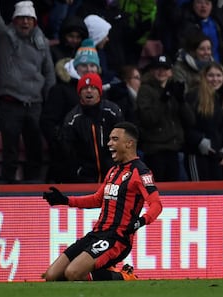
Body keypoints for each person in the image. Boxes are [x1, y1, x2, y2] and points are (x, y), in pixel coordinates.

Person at [42, 121, 163, 281]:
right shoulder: (113, 170)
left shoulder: (140, 172)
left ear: (129, 143)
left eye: (114, 139)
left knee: (73, 273)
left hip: (116, 238)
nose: (109, 143)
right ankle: (106, 269)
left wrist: (140, 222)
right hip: (96, 234)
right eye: (109, 139)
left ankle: (125, 276)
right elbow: (97, 199)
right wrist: (66, 200)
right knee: (52, 276)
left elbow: (156, 205)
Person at [0, 0, 56, 183]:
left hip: (35, 104)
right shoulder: (3, 37)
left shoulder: (42, 42)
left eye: (29, 19)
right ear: (14, 21)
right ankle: (7, 190)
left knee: (36, 150)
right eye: (21, 18)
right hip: (10, 103)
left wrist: (50, 101)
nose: (25, 22)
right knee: (10, 151)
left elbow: (49, 72)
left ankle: (34, 190)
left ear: (34, 22)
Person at [40, 38, 100, 183]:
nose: (89, 69)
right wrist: (63, 148)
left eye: (93, 65)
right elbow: (47, 122)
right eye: (84, 65)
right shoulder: (60, 90)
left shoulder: (104, 92)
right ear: (75, 67)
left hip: (97, 166)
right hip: (67, 167)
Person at [136, 55, 194, 182]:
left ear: (171, 72)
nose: (161, 72)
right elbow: (147, 119)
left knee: (174, 190)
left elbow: (190, 121)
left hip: (174, 149)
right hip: (155, 151)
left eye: (165, 69)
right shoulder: (145, 90)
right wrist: (163, 100)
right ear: (152, 71)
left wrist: (182, 101)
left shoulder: (174, 89)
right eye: (158, 68)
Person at [61, 72, 124, 183]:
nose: (89, 91)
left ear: (99, 92)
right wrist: (77, 171)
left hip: (113, 174)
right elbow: (68, 152)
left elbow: (123, 142)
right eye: (85, 88)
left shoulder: (113, 112)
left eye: (93, 87)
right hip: (84, 177)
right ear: (79, 93)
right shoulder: (72, 119)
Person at [184, 62, 223, 181]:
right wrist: (200, 141)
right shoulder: (194, 96)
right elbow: (185, 126)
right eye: (211, 75)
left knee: (216, 196)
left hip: (217, 156)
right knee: (199, 194)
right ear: (204, 77)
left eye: (218, 75)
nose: (215, 79)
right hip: (197, 154)